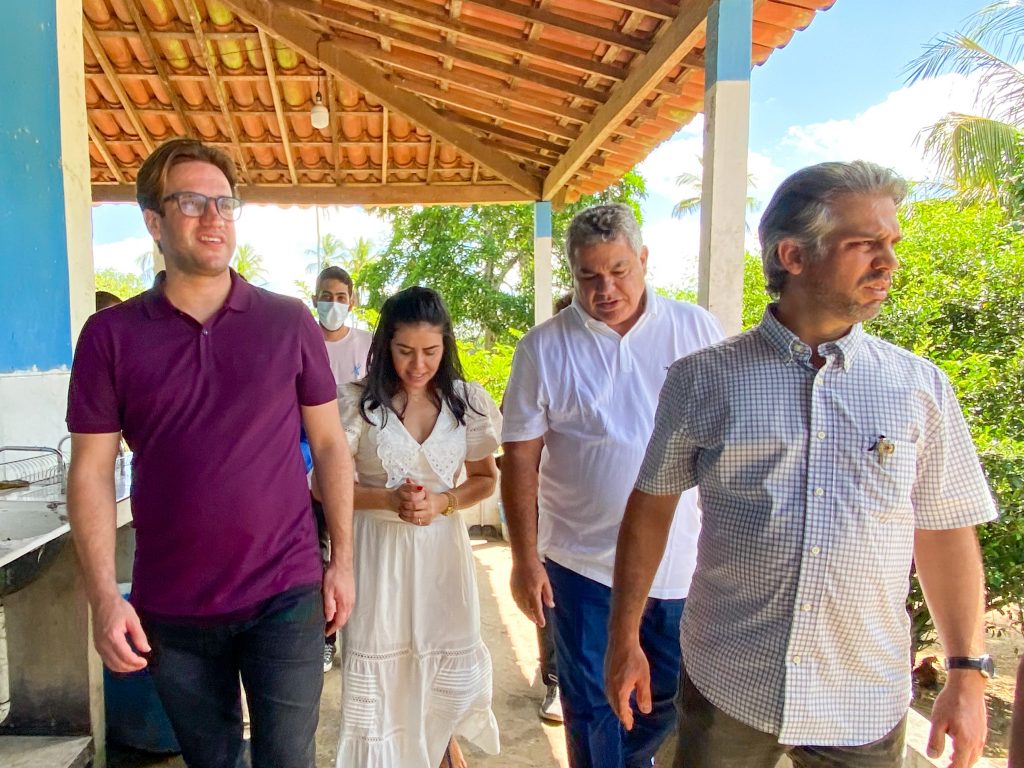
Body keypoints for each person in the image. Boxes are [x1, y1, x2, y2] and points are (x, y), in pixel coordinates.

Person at [606, 160, 997, 768]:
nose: (888, 262)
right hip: (731, 683)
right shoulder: (704, 380)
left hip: (863, 697)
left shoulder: (918, 388)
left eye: (891, 243)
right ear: (792, 255)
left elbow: (944, 530)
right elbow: (651, 508)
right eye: (864, 244)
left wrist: (967, 672)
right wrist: (623, 637)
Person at [66, 137, 355, 768]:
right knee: (211, 761)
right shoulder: (111, 337)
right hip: (173, 606)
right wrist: (103, 597)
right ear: (154, 222)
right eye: (191, 203)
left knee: (288, 759)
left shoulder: (288, 322)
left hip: (285, 591)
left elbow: (331, 446)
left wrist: (343, 560)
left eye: (224, 203)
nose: (213, 218)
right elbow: (89, 471)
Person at [501, 204, 723, 767]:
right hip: (581, 565)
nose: (605, 289)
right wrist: (525, 559)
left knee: (666, 700)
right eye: (589, 276)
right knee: (592, 704)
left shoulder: (695, 329)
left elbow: (726, 434)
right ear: (572, 274)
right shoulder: (543, 348)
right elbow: (520, 459)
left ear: (643, 259)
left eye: (619, 271)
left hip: (678, 563)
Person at [334, 286, 501, 768]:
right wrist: (387, 499)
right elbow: (326, 487)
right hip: (378, 557)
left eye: (430, 351)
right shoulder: (357, 403)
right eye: (405, 350)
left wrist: (445, 502)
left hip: (442, 557)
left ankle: (441, 747)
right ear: (386, 344)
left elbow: (485, 478)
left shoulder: (467, 402)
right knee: (383, 664)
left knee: (439, 659)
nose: (418, 364)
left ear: (446, 345)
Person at [309, 265, 373, 672]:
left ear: (352, 301)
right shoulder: (303, 342)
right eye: (325, 296)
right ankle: (326, 637)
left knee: (355, 555)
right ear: (313, 297)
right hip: (309, 469)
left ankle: (363, 638)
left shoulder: (366, 345)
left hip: (357, 474)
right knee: (320, 557)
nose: (332, 304)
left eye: (340, 297)